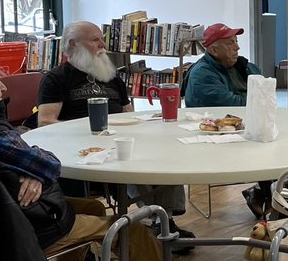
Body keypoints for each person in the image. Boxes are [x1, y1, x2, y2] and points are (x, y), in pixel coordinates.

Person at [0, 55, 236, 261]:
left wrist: (28, 167)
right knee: (129, 228)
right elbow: (50, 163)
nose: (4, 86)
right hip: (21, 225)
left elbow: (25, 151)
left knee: (91, 208)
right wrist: (34, 167)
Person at [40, 22, 194, 243]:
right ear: (73, 44)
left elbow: (128, 114)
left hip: (119, 137)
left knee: (165, 152)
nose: (103, 45)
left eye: (102, 39)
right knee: (129, 158)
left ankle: (164, 218)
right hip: (85, 149)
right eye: (95, 40)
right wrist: (87, 133)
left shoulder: (111, 77)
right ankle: (157, 219)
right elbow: (45, 121)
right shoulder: (56, 79)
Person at [184, 23, 269, 216]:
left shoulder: (245, 66)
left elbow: (265, 93)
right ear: (214, 50)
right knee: (268, 146)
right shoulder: (201, 75)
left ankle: (266, 196)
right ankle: (271, 202)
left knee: (278, 143)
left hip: (246, 129)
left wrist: (261, 101)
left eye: (236, 42)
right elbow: (231, 108)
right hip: (217, 140)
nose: (237, 48)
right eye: (230, 43)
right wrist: (258, 101)